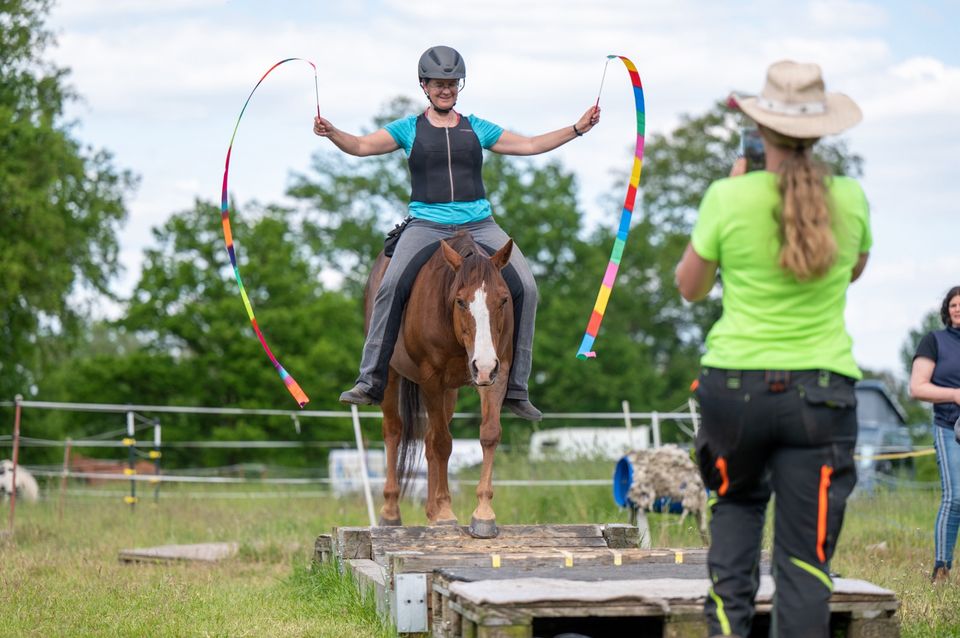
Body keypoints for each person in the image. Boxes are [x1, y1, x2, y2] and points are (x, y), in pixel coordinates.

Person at [675, 60, 870, 638]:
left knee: (735, 512)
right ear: (821, 131)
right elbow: (852, 271)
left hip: (734, 390)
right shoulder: (851, 198)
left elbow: (690, 287)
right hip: (822, 394)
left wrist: (737, 190)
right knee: (805, 564)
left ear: (759, 130)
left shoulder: (727, 196)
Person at [312, 45, 600, 421]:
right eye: (438, 83)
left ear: (458, 86)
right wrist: (332, 132)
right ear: (424, 86)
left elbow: (529, 145)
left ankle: (516, 387)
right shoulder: (408, 129)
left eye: (451, 83)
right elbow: (363, 146)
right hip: (426, 225)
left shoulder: (476, 127)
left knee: (527, 287)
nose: (445, 89)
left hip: (479, 223)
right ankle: (371, 378)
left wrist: (577, 129)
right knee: (390, 284)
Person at [909, 286, 960, 584]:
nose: (958, 308)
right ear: (947, 309)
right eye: (953, 304)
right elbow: (917, 388)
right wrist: (954, 394)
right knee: (955, 498)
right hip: (948, 426)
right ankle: (941, 569)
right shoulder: (934, 341)